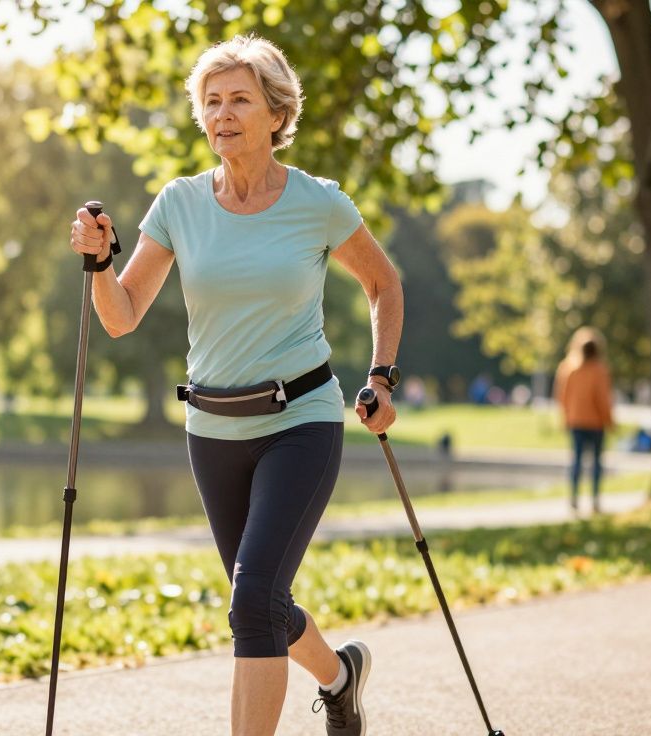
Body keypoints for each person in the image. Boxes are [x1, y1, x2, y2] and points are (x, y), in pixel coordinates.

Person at [69, 34, 402, 736]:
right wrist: (101, 264)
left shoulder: (317, 202)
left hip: (301, 419)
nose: (223, 113)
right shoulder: (180, 204)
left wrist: (380, 376)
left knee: (253, 599)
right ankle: (340, 678)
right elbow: (123, 317)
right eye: (211, 101)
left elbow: (383, 283)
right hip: (213, 430)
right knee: (265, 603)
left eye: (240, 99)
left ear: (277, 113)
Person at [553, 327, 614, 514]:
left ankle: (574, 498)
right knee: (596, 462)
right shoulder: (599, 371)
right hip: (595, 423)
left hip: (576, 421)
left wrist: (565, 417)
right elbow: (603, 399)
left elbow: (561, 396)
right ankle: (595, 499)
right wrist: (609, 421)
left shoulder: (568, 368)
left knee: (577, 461)